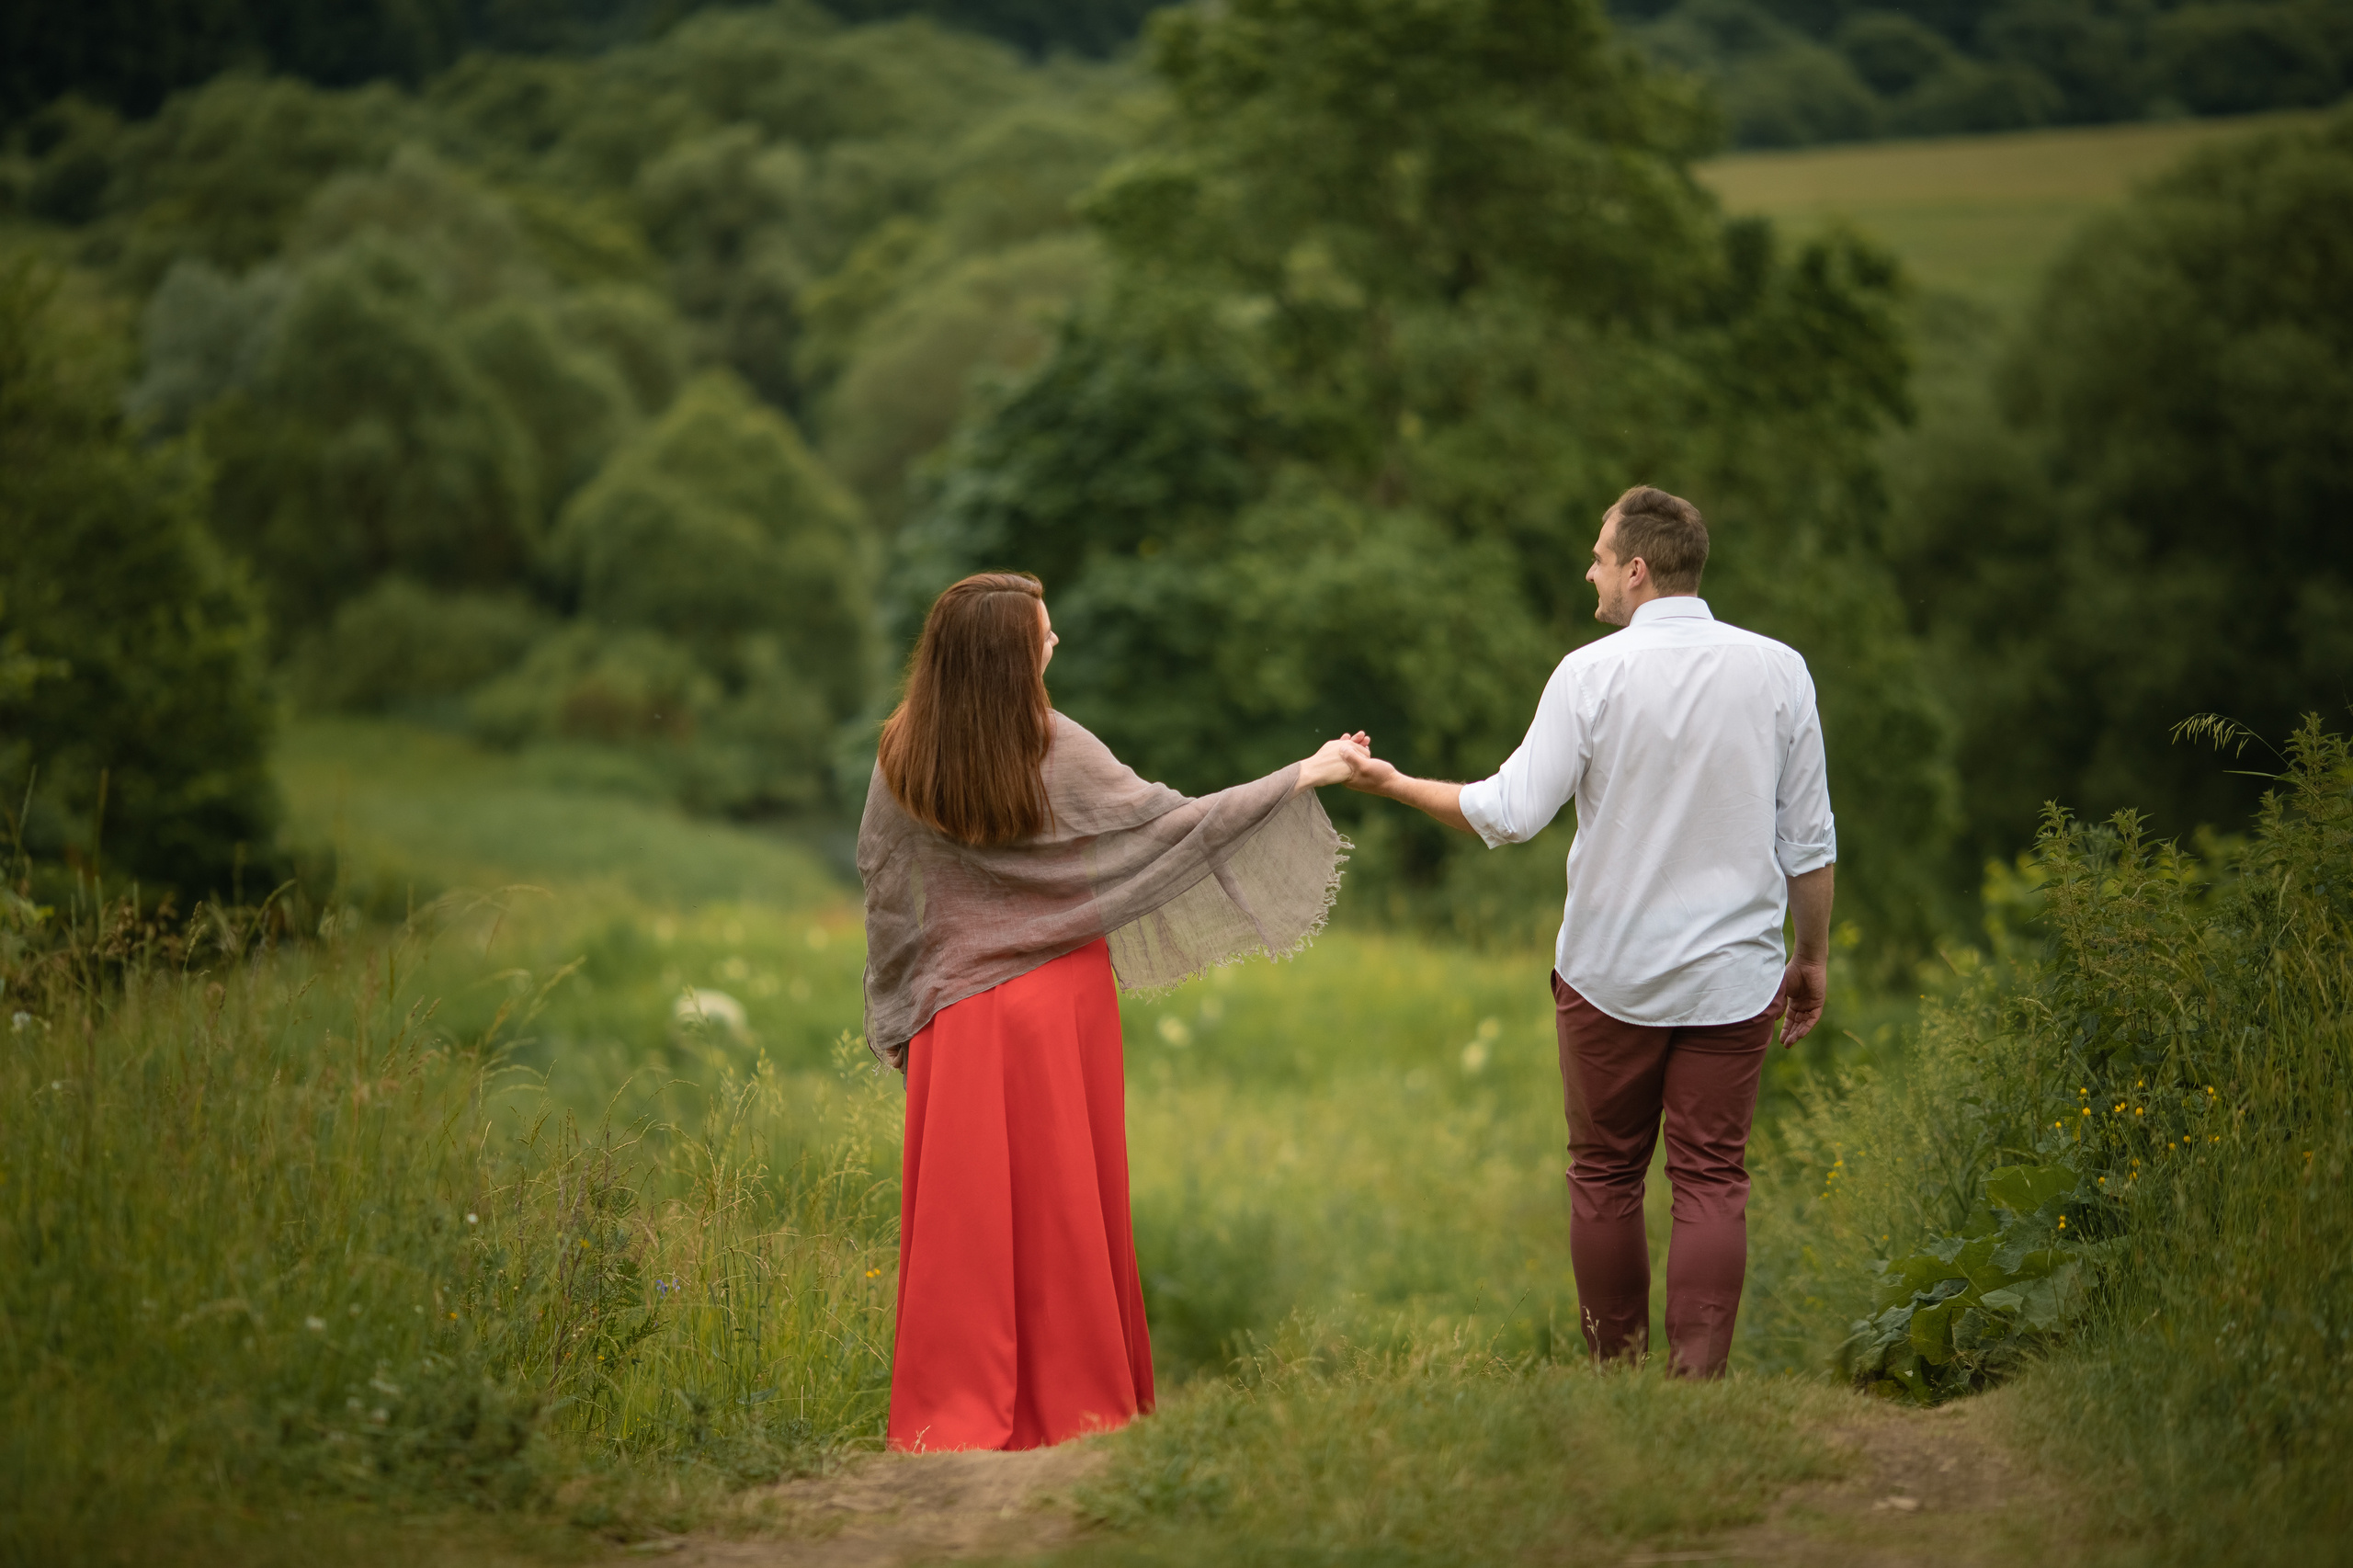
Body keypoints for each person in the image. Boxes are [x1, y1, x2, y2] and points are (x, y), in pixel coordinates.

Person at [859, 571, 1366, 1450]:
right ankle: (1075, 1409)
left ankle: (955, 1412)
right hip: (1057, 1006)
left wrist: (904, 1007)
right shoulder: (1053, 743)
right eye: (1042, 635)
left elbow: (886, 889)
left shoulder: (901, 751)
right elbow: (1178, 827)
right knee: (1066, 1210)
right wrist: (1304, 774)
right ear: (1008, 655)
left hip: (958, 1021)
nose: (1054, 645)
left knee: (966, 1224)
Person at [1339, 485, 1836, 1378]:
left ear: (1637, 569)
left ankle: (1616, 1378)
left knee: (1605, 1175)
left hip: (1609, 975)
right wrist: (1811, 955)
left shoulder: (1589, 674)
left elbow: (1509, 812)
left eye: (1600, 556)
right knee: (1712, 1178)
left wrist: (1393, 783)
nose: (1591, 571)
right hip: (1732, 977)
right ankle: (1694, 1389)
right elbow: (1808, 840)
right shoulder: (1780, 670)